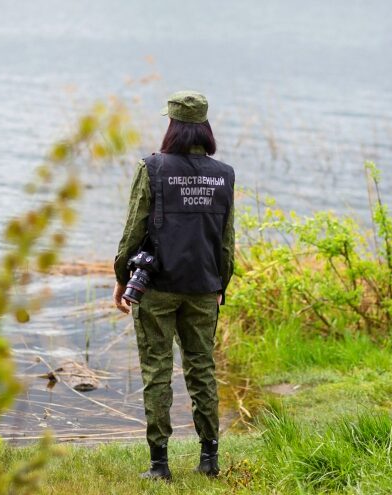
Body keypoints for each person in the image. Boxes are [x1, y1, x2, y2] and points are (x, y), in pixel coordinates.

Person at [113, 90, 235, 481]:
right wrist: (222, 285)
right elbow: (227, 242)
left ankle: (159, 466)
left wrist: (121, 278)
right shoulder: (225, 174)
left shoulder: (152, 168)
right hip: (204, 287)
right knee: (202, 369)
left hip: (159, 288)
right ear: (205, 126)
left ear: (172, 125)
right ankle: (209, 459)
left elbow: (133, 230)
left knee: (157, 371)